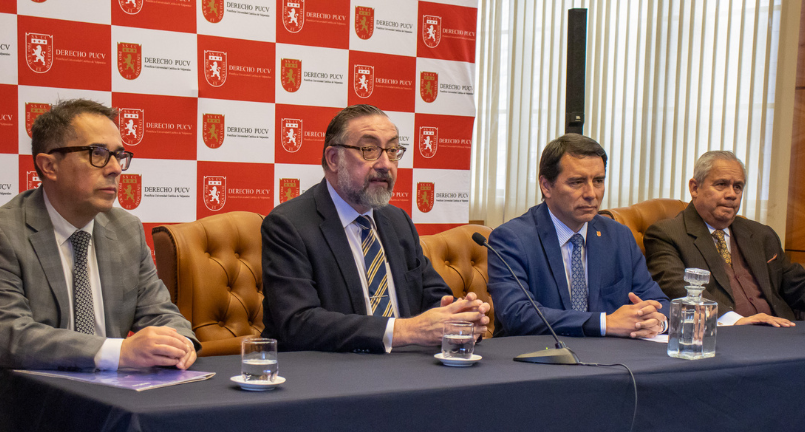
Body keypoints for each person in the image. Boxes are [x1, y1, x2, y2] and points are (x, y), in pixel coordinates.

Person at [261, 104, 489, 352]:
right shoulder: (289, 225)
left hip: (405, 366)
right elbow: (298, 323)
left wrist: (458, 318)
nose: (385, 164)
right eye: (369, 150)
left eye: (392, 150)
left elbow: (433, 296)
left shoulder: (398, 221)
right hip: (331, 369)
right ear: (333, 159)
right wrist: (407, 330)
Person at [0, 99, 199, 370]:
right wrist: (118, 352)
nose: (115, 168)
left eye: (119, 155)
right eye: (98, 153)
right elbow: (10, 334)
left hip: (116, 391)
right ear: (49, 166)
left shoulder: (126, 229)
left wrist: (181, 342)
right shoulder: (7, 232)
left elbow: (161, 314)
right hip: (38, 392)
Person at [488, 133, 669, 338]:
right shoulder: (512, 239)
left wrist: (657, 323)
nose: (591, 194)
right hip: (539, 354)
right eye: (576, 182)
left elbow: (659, 303)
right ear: (546, 186)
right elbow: (518, 315)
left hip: (612, 355)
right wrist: (604, 323)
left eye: (598, 181)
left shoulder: (619, 236)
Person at [644, 150, 805, 327]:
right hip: (722, 333)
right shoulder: (666, 235)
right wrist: (736, 321)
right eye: (721, 184)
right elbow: (678, 289)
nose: (732, 194)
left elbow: (796, 285)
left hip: (782, 329)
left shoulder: (762, 235)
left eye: (738, 187)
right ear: (695, 188)